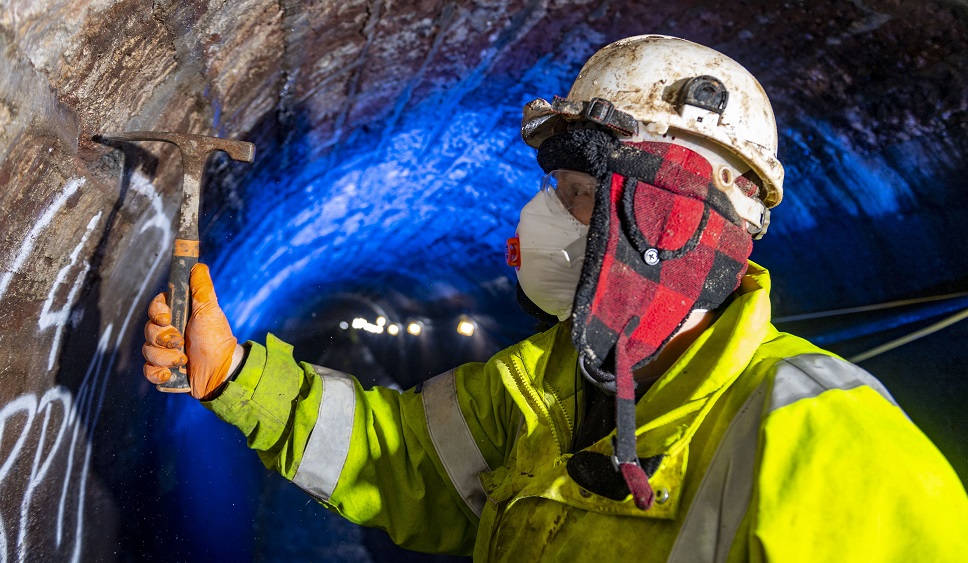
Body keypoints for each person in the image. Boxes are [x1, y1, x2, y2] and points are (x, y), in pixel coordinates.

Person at [142, 35, 968, 560]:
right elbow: (402, 459)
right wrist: (234, 375)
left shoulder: (829, 440)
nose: (539, 221)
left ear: (670, 216)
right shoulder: (543, 381)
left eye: (578, 192)